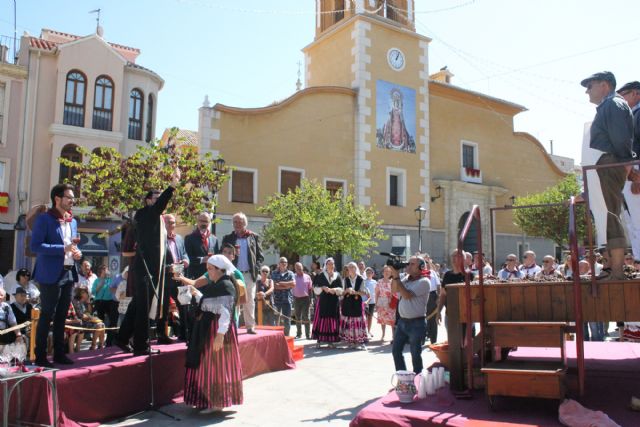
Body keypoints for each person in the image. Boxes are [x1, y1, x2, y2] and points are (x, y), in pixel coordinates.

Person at [116, 168, 180, 356]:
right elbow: (160, 205)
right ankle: (141, 346)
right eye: (155, 197)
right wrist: (172, 186)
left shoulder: (155, 218)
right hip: (145, 270)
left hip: (150, 268)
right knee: (142, 308)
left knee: (137, 305)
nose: (158, 200)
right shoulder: (145, 214)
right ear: (147, 200)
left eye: (159, 197)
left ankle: (121, 338)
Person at [581, 71, 634, 281]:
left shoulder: (613, 104)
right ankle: (613, 268)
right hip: (608, 163)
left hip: (610, 163)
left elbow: (621, 138)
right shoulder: (610, 105)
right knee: (607, 213)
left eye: (590, 85)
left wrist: (625, 163)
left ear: (604, 85)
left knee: (611, 214)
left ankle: (618, 271)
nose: (587, 91)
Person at [174, 255, 243, 414]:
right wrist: (197, 293)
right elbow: (209, 304)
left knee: (216, 364)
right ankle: (213, 401)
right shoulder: (218, 284)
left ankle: (216, 401)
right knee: (212, 364)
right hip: (211, 328)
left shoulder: (225, 285)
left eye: (210, 269)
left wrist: (220, 335)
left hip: (218, 330)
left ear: (220, 270)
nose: (208, 272)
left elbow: (225, 312)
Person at [30, 183, 82, 367]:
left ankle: (60, 354)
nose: (72, 201)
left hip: (68, 273)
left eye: (73, 198)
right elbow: (35, 246)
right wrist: (63, 248)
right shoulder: (44, 219)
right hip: (50, 274)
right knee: (47, 315)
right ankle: (41, 356)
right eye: (69, 197)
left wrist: (77, 253)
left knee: (62, 317)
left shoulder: (73, 221)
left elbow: (73, 246)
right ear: (57, 199)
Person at [222, 212, 264, 334]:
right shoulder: (228, 238)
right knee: (233, 300)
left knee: (249, 301)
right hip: (233, 274)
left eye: (240, 222)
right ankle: (233, 325)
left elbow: (260, 256)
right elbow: (222, 255)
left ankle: (250, 326)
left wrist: (256, 268)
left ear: (245, 223)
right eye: (235, 222)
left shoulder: (253, 237)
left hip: (248, 274)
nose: (237, 224)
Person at [391, 256, 430, 374]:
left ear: (421, 267)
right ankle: (402, 377)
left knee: (415, 354)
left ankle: (418, 377)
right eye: (408, 263)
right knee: (396, 351)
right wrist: (394, 274)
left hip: (416, 323)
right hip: (402, 321)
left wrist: (397, 276)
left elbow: (407, 295)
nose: (408, 265)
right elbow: (393, 290)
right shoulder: (406, 279)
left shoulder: (424, 281)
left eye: (412, 264)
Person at [617, 81, 640, 261]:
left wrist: (636, 175)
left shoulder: (637, 114)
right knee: (632, 221)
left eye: (623, 94)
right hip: (630, 169)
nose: (620, 99)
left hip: (636, 171)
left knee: (637, 220)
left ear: (635, 94)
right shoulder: (631, 114)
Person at [158, 214, 190, 342]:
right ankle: (162, 335)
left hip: (179, 277)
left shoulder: (180, 239)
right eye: (168, 222)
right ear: (163, 224)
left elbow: (184, 254)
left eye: (173, 223)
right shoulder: (159, 239)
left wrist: (186, 261)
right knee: (164, 308)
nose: (171, 225)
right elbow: (156, 262)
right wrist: (168, 268)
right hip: (165, 279)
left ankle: (184, 333)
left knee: (183, 305)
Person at [312, 258, 342, 348]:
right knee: (322, 320)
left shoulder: (337, 275)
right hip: (323, 301)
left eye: (332, 264)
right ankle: (319, 340)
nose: (331, 266)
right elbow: (315, 287)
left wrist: (335, 290)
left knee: (332, 320)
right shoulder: (321, 275)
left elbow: (341, 288)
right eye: (329, 264)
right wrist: (322, 288)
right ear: (326, 265)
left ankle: (331, 341)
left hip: (333, 301)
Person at [340, 262, 369, 350]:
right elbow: (342, 293)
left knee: (358, 321)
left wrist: (355, 292)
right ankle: (351, 341)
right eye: (349, 268)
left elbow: (364, 293)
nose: (351, 269)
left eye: (353, 267)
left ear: (356, 268)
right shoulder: (345, 280)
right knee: (349, 321)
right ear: (348, 270)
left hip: (356, 303)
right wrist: (347, 291)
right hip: (348, 303)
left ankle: (360, 341)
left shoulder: (361, 279)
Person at [184, 212, 219, 279]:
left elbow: (217, 256)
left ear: (209, 222)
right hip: (195, 277)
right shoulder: (189, 238)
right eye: (201, 221)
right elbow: (187, 259)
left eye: (206, 221)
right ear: (197, 221)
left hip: (211, 277)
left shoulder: (214, 239)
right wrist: (202, 259)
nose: (203, 223)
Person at [92, 265, 119, 346]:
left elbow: (114, 289)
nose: (106, 271)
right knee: (100, 322)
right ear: (101, 271)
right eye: (104, 270)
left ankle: (109, 341)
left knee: (112, 321)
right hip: (99, 302)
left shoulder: (110, 279)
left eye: (107, 269)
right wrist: (100, 285)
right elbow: (93, 292)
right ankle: (99, 342)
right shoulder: (97, 280)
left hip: (110, 302)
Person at [271, 257, 295, 336]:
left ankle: (286, 336)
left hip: (287, 299)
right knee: (276, 319)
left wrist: (281, 283)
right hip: (277, 299)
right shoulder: (274, 273)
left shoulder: (291, 273)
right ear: (279, 263)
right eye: (282, 262)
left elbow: (293, 284)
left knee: (287, 320)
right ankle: (276, 336)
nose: (283, 263)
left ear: (287, 264)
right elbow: (274, 286)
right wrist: (287, 285)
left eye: (285, 262)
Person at [374, 265, 395, 342]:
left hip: (390, 303)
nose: (387, 273)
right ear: (383, 273)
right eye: (385, 271)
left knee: (392, 320)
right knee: (382, 320)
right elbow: (376, 293)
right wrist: (376, 303)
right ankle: (383, 335)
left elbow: (395, 293)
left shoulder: (392, 281)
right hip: (382, 302)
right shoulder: (379, 281)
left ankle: (393, 336)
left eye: (388, 271)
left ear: (391, 273)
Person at [292, 262, 312, 339]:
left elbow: (310, 289)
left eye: (300, 268)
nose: (299, 270)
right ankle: (299, 334)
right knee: (297, 317)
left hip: (305, 299)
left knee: (306, 317)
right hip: (296, 298)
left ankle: (308, 334)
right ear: (295, 269)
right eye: (297, 268)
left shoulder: (307, 277)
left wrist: (311, 300)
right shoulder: (293, 277)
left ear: (302, 268)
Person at [363, 267, 377, 338]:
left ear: (373, 274)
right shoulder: (363, 281)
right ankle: (364, 331)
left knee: (370, 317)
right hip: (365, 302)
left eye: (370, 273)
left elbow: (376, 292)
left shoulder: (375, 282)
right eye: (367, 273)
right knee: (364, 317)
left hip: (372, 302)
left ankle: (369, 331)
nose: (368, 274)